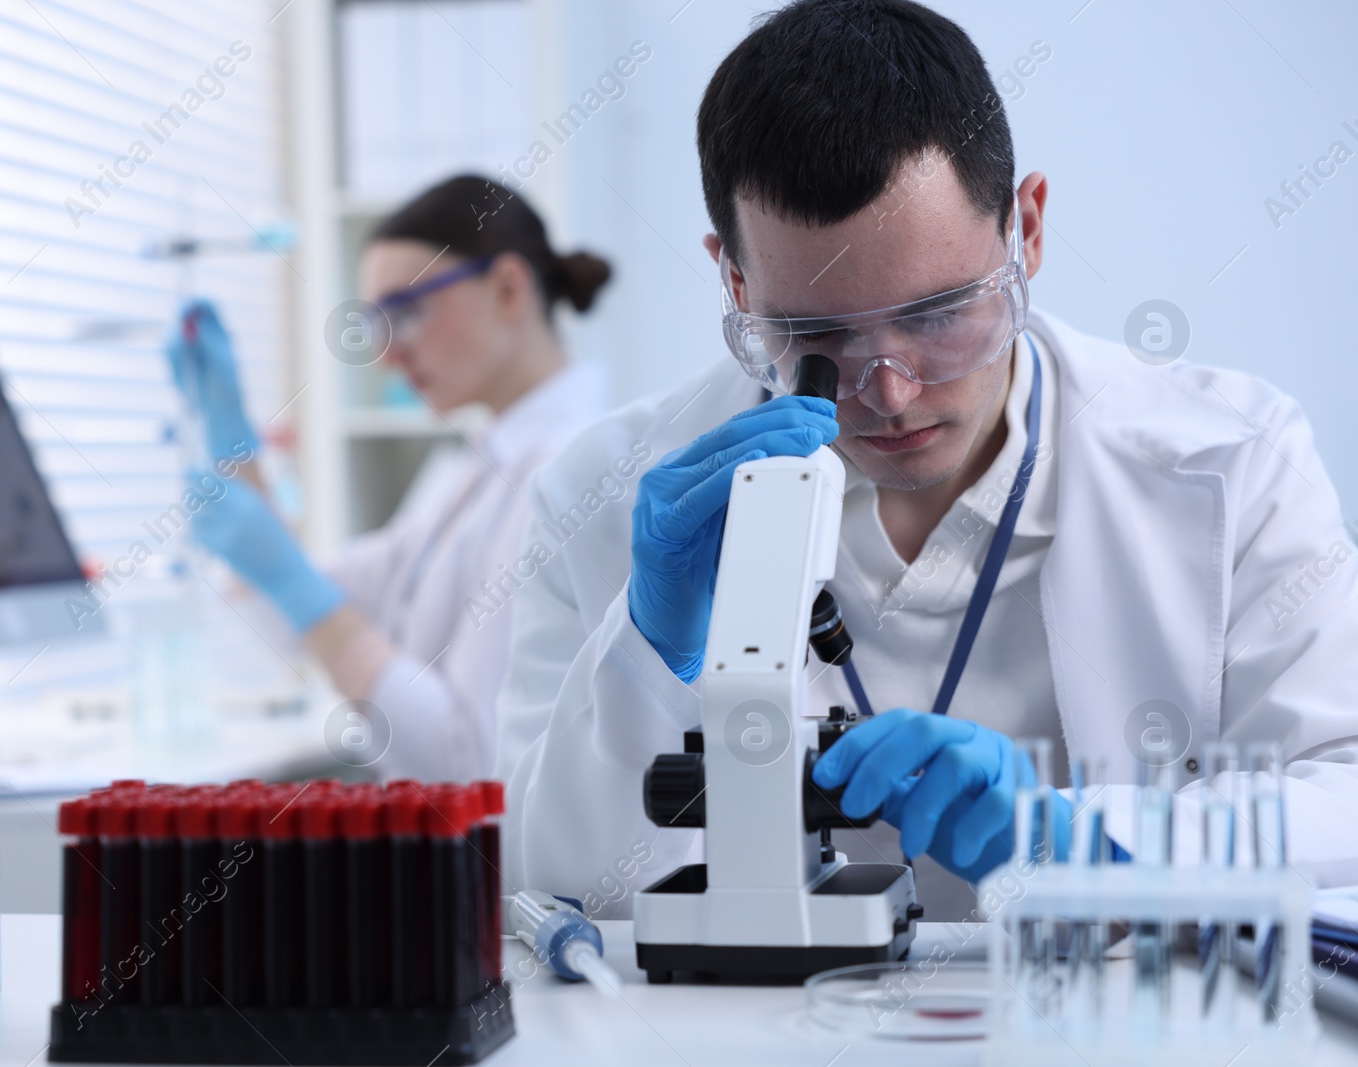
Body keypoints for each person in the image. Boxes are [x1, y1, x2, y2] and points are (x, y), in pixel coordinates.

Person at [495, 0, 1358, 920]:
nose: (891, 391)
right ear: (736, 283)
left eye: (941, 314)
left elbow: (1343, 795)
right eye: (817, 336)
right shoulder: (601, 495)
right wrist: (646, 657)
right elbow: (544, 893)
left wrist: (1096, 841)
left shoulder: (1235, 457)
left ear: (1026, 230)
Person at [173, 174, 611, 780]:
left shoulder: (569, 473)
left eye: (405, 312)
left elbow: (468, 761)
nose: (386, 355)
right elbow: (306, 603)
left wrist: (300, 590)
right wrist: (235, 448)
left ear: (508, 289)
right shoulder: (475, 466)